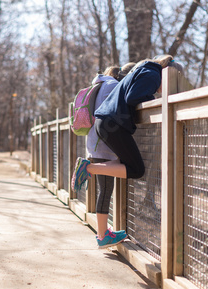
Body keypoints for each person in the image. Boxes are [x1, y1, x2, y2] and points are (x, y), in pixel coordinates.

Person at [72, 55, 182, 245]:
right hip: (111, 125)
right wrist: (154, 100)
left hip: (107, 124)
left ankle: (102, 235)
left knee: (128, 166)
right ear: (167, 72)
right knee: (136, 170)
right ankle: (88, 168)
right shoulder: (152, 73)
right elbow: (134, 97)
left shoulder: (146, 70)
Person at [85, 63, 135, 249]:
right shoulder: (113, 86)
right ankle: (102, 236)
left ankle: (104, 232)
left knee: (104, 190)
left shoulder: (100, 85)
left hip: (95, 142)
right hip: (103, 145)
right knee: (105, 191)